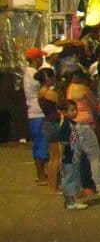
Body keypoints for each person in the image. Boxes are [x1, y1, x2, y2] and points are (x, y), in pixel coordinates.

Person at [23, 47, 48, 185]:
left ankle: (41, 174)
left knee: (39, 144)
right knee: (41, 145)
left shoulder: (28, 72)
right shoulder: (35, 75)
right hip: (38, 112)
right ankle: (41, 175)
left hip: (34, 112)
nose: (42, 60)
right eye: (41, 58)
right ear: (36, 59)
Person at [57, 101, 89, 211]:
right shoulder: (66, 125)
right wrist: (61, 156)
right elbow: (62, 143)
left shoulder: (72, 123)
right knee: (69, 179)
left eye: (76, 109)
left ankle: (71, 201)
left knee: (73, 178)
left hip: (74, 156)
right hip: (68, 157)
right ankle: (70, 202)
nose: (75, 112)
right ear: (64, 112)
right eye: (72, 110)